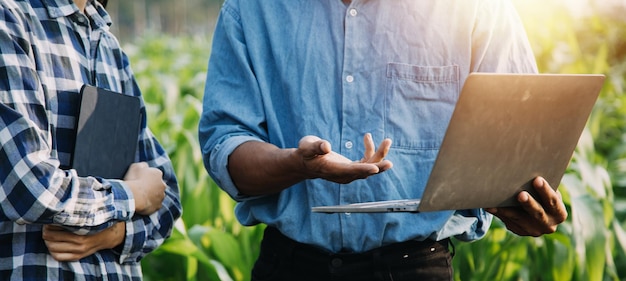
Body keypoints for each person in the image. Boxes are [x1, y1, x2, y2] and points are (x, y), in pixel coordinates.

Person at [199, 0, 568, 280]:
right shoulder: (251, 8)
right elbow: (226, 144)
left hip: (418, 267)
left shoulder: (476, 9)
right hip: (289, 266)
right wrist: (296, 164)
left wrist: (526, 204)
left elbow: (518, 149)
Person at [0, 0, 182, 280]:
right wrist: (134, 195)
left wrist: (114, 234)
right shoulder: (10, 19)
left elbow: (166, 195)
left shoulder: (108, 44)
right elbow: (30, 187)